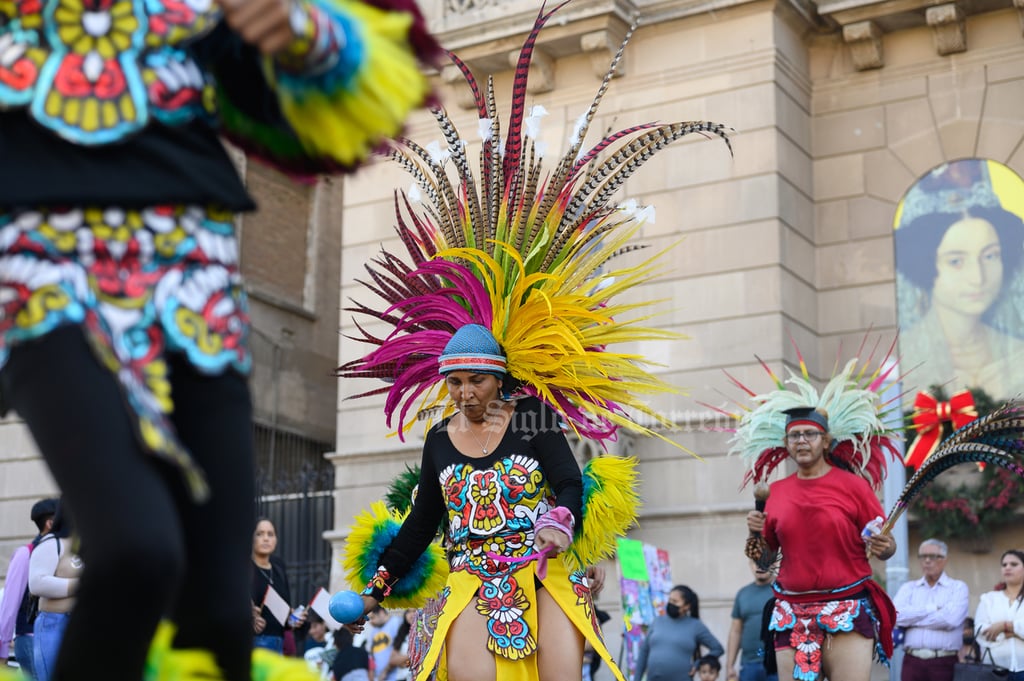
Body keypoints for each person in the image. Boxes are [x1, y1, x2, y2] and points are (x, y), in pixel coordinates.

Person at [0, 0, 438, 678]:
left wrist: (299, 30)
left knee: (218, 605)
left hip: (193, 277)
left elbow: (307, 91)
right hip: (41, 269)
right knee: (137, 548)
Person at [729, 354, 901, 681]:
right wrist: (754, 535)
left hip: (846, 604)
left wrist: (886, 546)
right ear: (786, 443)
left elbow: (885, 545)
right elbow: (765, 562)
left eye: (810, 434)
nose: (802, 441)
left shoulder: (853, 486)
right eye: (795, 436)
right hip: (790, 610)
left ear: (826, 441)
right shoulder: (775, 492)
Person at [894, 159, 1024, 402]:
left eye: (990, 256)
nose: (978, 278)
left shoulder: (1019, 353)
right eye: (956, 261)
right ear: (925, 267)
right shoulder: (906, 360)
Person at [892, 539, 969, 681]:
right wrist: (932, 609)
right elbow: (895, 617)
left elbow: (950, 620)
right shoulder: (908, 588)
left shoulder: (957, 587)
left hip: (943, 662)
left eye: (932, 556)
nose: (927, 561)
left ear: (944, 559)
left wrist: (911, 621)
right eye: (922, 556)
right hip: (911, 661)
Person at [0, 498, 56, 679]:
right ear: (50, 523)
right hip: (30, 641)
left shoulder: (60, 552)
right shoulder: (26, 554)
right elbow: (9, 605)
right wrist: (2, 651)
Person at [27, 502, 80, 681]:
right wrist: (80, 585)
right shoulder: (52, 543)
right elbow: (37, 583)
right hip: (54, 623)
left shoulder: (86, 545)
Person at [633, 585, 724, 681]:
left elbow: (717, 649)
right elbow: (644, 652)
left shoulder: (695, 625)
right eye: (670, 600)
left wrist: (698, 664)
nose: (670, 604)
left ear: (686, 606)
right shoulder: (657, 621)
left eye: (675, 601)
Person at [251, 518, 306, 653]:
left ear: (276, 539)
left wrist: (293, 620)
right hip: (255, 641)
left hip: (278, 642)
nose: (266, 539)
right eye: (260, 534)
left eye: (270, 534)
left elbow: (284, 611)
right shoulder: (244, 567)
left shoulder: (278, 567)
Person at [973, 549, 1024, 679]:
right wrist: (1016, 633)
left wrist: (1003, 627)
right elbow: (979, 631)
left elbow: (995, 629)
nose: (1007, 568)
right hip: (995, 670)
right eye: (1004, 565)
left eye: (1014, 564)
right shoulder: (989, 599)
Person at [726, 561, 776, 681]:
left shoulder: (784, 591)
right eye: (756, 562)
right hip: (749, 664)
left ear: (774, 563)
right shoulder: (743, 594)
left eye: (765, 560)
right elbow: (736, 631)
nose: (760, 565)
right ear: (750, 564)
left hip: (778, 663)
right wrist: (729, 666)